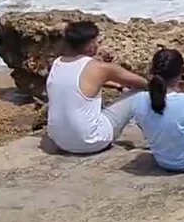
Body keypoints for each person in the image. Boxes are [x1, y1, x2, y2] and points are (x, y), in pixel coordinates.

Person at [45, 21, 148, 154]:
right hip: (92, 141)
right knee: (139, 93)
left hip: (59, 140)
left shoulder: (57, 63)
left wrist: (116, 86)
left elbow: (76, 83)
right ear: (90, 45)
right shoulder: (100, 68)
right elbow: (142, 83)